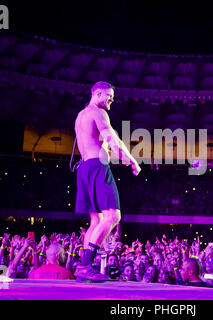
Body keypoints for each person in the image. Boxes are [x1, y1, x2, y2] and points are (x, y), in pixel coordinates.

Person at [74, 81, 141, 282]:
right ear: (98, 93)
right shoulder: (99, 113)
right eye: (109, 96)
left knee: (96, 221)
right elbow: (112, 139)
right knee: (113, 217)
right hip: (97, 168)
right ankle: (86, 266)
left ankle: (82, 268)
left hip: (84, 168)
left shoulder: (80, 115)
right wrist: (132, 160)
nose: (112, 99)